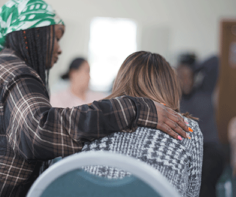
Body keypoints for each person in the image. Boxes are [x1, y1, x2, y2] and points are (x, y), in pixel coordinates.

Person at [0, 0, 189, 197]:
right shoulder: (17, 73)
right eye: (55, 36)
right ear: (29, 35)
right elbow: (41, 133)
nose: (59, 48)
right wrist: (133, 108)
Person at [82, 51, 203, 197]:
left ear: (121, 81)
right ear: (170, 86)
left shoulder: (92, 119)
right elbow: (192, 193)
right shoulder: (186, 128)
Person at [177, 54, 224, 197]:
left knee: (205, 180)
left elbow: (215, 61)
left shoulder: (205, 90)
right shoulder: (175, 98)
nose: (185, 81)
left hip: (209, 148)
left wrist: (191, 68)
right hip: (187, 149)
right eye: (181, 77)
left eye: (188, 76)